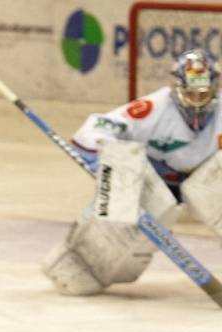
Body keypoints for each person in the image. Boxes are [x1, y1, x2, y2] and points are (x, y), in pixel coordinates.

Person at [43, 48, 222, 295]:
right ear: (175, 87)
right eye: (191, 92)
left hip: (205, 181)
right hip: (154, 183)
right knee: (130, 223)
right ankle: (81, 267)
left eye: (204, 93)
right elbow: (95, 129)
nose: (197, 100)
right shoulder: (154, 107)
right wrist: (109, 160)